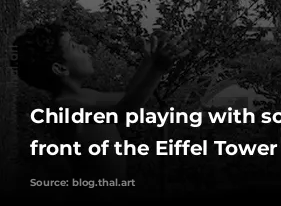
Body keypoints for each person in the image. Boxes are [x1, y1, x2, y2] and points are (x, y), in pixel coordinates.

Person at [13, 23, 187, 199]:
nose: (84, 47)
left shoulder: (85, 95)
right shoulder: (64, 108)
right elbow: (126, 110)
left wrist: (148, 61)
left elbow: (129, 98)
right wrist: (157, 69)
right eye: (73, 45)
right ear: (60, 68)